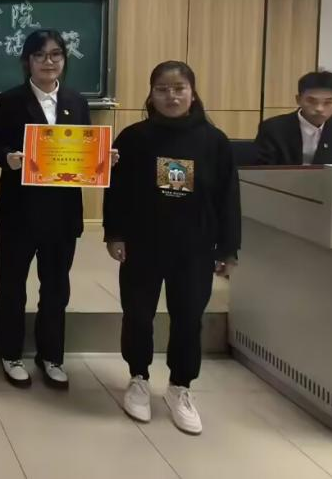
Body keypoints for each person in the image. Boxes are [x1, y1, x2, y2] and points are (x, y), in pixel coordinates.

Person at [103, 61, 240, 435]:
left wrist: (227, 248)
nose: (171, 96)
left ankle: (180, 386)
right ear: (151, 94)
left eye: (179, 88)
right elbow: (116, 191)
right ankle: (138, 378)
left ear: (192, 93)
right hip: (143, 244)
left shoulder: (214, 141)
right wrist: (114, 234)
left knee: (188, 318)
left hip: (195, 247)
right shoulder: (133, 138)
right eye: (162, 89)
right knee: (137, 314)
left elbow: (228, 198)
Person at [0, 29, 92, 390]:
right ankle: (10, 352)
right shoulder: (9, 101)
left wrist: (99, 160)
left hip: (62, 212)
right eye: (40, 55)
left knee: (56, 287)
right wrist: (8, 158)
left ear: (64, 59)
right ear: (27, 61)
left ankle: (51, 355)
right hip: (18, 210)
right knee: (12, 284)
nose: (49, 62)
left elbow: (84, 148)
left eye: (56, 55)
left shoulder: (77, 102)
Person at [254, 70, 332, 165]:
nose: (319, 108)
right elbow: (261, 169)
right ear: (298, 99)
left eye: (328, 102)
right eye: (311, 101)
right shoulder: (273, 128)